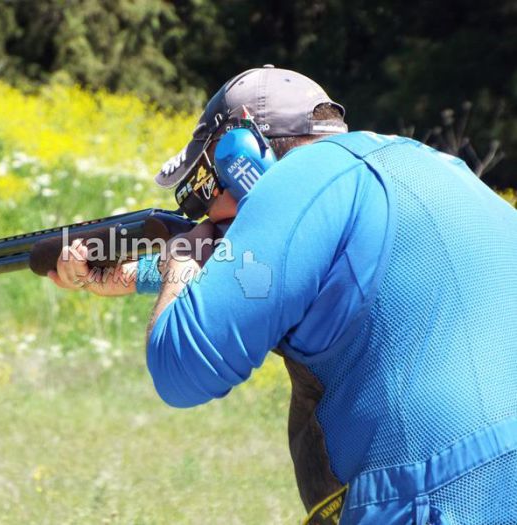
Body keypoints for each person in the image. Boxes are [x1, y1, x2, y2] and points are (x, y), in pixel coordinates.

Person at [48, 66, 517, 524]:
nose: (200, 209)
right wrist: (132, 275)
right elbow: (281, 271)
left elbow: (180, 368)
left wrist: (180, 264)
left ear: (243, 154)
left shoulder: (298, 179)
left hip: (433, 491)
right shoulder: (423, 165)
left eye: (202, 188)